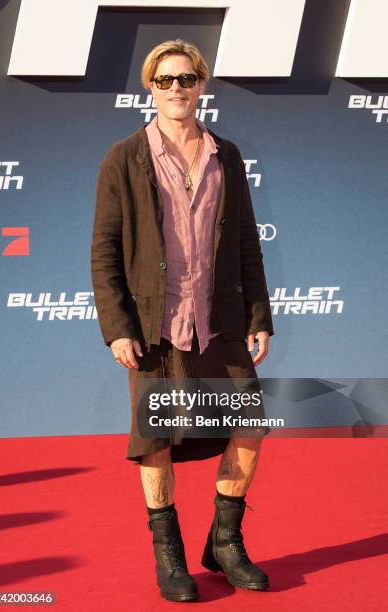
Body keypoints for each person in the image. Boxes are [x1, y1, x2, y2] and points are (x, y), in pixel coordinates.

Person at [91, 39, 274, 602]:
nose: (177, 88)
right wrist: (118, 326)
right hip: (154, 326)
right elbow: (105, 248)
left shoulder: (227, 155)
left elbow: (245, 240)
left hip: (219, 321)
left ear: (202, 85)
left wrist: (258, 314)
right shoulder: (124, 157)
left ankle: (224, 540)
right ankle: (168, 551)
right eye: (166, 79)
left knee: (248, 426)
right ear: (150, 86)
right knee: (156, 441)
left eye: (187, 78)